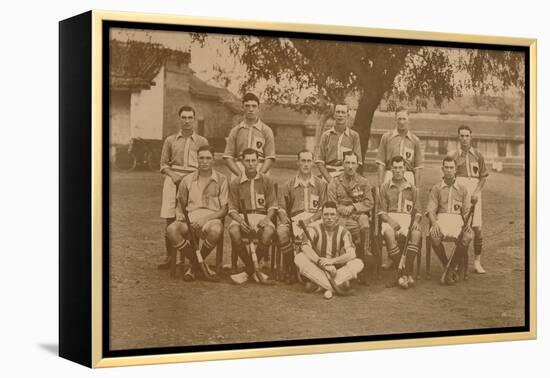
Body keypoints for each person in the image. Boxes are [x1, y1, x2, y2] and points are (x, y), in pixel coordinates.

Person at [165, 145, 228, 281]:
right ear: (197, 160)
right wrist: (180, 214)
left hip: (211, 217)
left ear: (213, 160)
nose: (205, 161)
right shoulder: (187, 180)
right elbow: (180, 204)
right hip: (190, 217)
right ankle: (200, 264)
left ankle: (193, 267)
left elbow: (224, 209)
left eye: (208, 158)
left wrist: (205, 219)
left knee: (217, 230)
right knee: (171, 230)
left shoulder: (222, 179)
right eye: (201, 158)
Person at [158, 105, 209, 269]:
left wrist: (192, 180)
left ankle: (191, 256)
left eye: (190, 118)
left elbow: (205, 164)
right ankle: (170, 256)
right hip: (173, 181)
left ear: (194, 119)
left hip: (194, 182)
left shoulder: (201, 141)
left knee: (192, 217)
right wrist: (175, 177)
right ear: (179, 119)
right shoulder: (170, 140)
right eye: (184, 117)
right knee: (171, 217)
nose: (187, 121)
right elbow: (163, 165)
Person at [228, 148, 278, 284]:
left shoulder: (267, 180)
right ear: (242, 162)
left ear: (258, 162)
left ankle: (247, 272)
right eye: (247, 160)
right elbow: (232, 209)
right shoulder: (235, 182)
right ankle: (254, 270)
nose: (250, 164)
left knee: (268, 231)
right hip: (242, 217)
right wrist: (240, 221)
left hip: (261, 216)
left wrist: (266, 219)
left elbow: (273, 205)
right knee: (233, 230)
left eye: (253, 160)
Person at [294, 201, 364, 299]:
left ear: (337, 216)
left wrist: (331, 261)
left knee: (358, 263)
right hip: (318, 268)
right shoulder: (313, 229)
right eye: (326, 214)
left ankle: (319, 285)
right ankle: (335, 286)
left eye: (332, 214)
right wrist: (320, 262)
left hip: (335, 270)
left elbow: (352, 254)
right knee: (299, 258)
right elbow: (305, 248)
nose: (329, 217)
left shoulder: (344, 232)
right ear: (321, 216)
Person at [277, 150, 327, 283]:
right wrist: (284, 217)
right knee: (281, 232)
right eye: (303, 161)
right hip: (295, 219)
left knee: (314, 233)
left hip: (314, 219)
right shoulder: (288, 184)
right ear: (297, 162)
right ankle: (291, 269)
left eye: (309, 161)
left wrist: (310, 220)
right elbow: (281, 207)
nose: (306, 164)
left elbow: (323, 208)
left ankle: (312, 271)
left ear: (313, 163)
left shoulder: (321, 184)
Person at [327, 152, 373, 284]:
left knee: (364, 222)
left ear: (358, 165)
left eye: (353, 163)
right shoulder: (334, 182)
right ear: (342, 164)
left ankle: (364, 257)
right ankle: (339, 265)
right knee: (340, 231)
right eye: (347, 163)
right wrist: (342, 209)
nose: (350, 166)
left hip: (357, 215)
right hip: (340, 217)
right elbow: (331, 203)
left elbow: (369, 202)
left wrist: (353, 207)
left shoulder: (363, 182)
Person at [426, 157, 474, 285]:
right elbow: (431, 210)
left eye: (451, 167)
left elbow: (466, 211)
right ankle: (448, 265)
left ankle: (450, 267)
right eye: (446, 167)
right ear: (442, 169)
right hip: (442, 219)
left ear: (455, 169)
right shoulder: (436, 188)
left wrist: (467, 224)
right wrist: (434, 223)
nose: (448, 170)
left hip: (458, 220)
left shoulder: (463, 189)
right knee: (434, 235)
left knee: (468, 235)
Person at [449, 125, 489, 275]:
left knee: (477, 228)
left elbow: (483, 176)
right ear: (458, 137)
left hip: (474, 193)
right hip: (460, 192)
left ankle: (477, 262)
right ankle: (459, 261)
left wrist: (477, 192)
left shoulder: (478, 155)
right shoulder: (453, 156)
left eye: (467, 136)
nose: (464, 139)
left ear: (471, 137)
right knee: (460, 227)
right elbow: (450, 176)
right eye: (462, 136)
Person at [378, 156, 422, 288]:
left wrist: (416, 221)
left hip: (407, 219)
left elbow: (418, 211)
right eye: (395, 168)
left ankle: (405, 273)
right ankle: (406, 273)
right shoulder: (385, 187)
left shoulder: (413, 188)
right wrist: (391, 221)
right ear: (391, 169)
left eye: (400, 168)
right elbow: (381, 212)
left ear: (405, 169)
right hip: (389, 218)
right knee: (389, 233)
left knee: (416, 233)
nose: (398, 170)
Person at [223, 92, 276, 177]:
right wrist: (240, 174)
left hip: (260, 167)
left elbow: (270, 157)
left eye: (254, 106)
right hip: (239, 167)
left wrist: (260, 174)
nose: (251, 109)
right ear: (242, 107)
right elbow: (228, 156)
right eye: (247, 106)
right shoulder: (235, 130)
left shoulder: (266, 130)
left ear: (258, 108)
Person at [375, 106, 424, 187]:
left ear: (408, 119)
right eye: (399, 119)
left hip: (408, 174)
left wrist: (417, 189)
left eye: (404, 119)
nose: (401, 122)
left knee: (407, 199)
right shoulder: (386, 137)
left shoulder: (415, 140)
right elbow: (381, 163)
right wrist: (380, 185)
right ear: (395, 119)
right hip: (390, 173)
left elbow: (417, 168)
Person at [315, 103, 362, 182]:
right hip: (329, 174)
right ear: (334, 115)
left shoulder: (354, 136)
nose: (340, 115)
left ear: (347, 115)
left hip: (348, 174)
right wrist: (330, 180)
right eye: (338, 112)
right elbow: (319, 162)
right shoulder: (326, 135)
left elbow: (358, 162)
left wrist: (347, 178)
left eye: (343, 112)